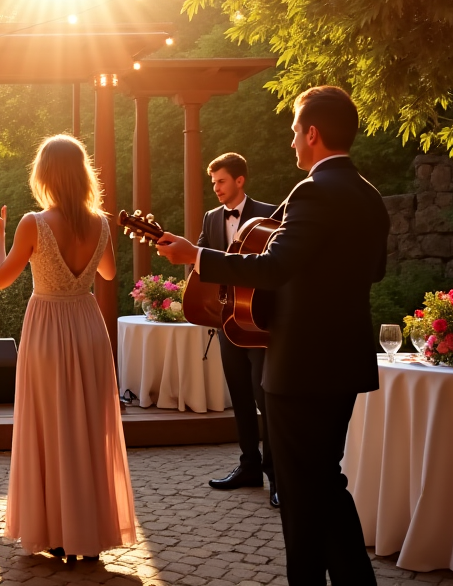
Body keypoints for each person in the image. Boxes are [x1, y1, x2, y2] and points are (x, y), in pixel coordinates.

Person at [156, 86, 388, 585]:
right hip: (346, 361)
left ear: (313, 133)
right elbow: (375, 271)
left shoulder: (312, 191)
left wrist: (194, 256)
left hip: (300, 364)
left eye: (294, 132)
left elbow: (274, 266)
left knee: (304, 489)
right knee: (323, 479)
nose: (291, 142)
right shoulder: (369, 195)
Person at [0, 134, 137, 562]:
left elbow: (0, 277)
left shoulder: (33, 223)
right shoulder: (100, 223)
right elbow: (108, 273)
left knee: (50, 428)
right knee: (87, 429)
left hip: (48, 328)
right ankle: (88, 534)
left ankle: (56, 532)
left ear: (46, 174)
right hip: (88, 326)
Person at [197, 152, 279, 507]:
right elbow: (203, 261)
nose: (216, 188)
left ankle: (277, 476)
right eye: (213, 182)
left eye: (221, 181)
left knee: (265, 398)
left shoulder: (272, 213)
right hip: (227, 322)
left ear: (240, 180)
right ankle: (249, 467)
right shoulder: (211, 218)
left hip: (259, 323)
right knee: (240, 396)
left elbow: (277, 270)